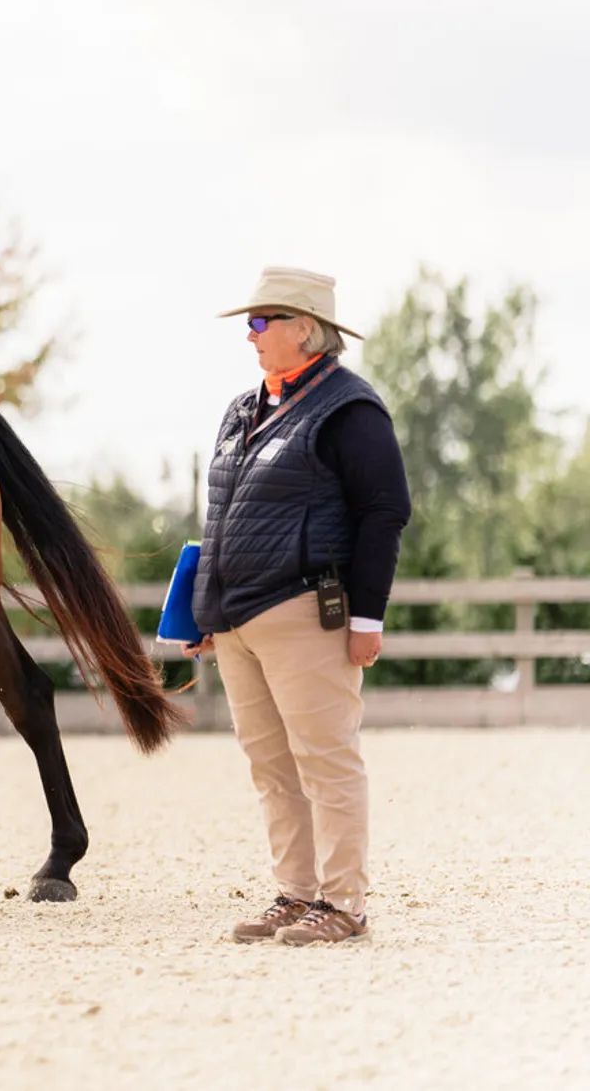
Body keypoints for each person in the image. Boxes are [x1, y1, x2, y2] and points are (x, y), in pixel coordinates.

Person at [187, 267, 411, 946]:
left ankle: (345, 902)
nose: (251, 335)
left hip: (307, 608)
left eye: (263, 322)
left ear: (305, 329)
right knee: (271, 765)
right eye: (250, 324)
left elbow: (385, 510)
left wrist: (368, 616)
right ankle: (296, 892)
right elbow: (221, 516)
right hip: (240, 618)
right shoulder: (242, 409)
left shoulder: (349, 409)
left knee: (326, 757)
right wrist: (203, 609)